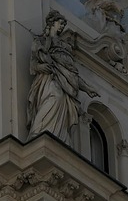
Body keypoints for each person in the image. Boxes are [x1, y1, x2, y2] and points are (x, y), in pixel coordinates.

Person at [26, 12, 95, 142]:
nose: (62, 26)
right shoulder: (41, 41)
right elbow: (33, 64)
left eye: (64, 24)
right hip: (49, 78)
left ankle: (59, 137)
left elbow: (71, 72)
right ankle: (38, 132)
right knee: (54, 97)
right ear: (52, 23)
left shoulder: (64, 46)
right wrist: (40, 67)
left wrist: (87, 87)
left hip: (65, 82)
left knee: (62, 103)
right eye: (61, 23)